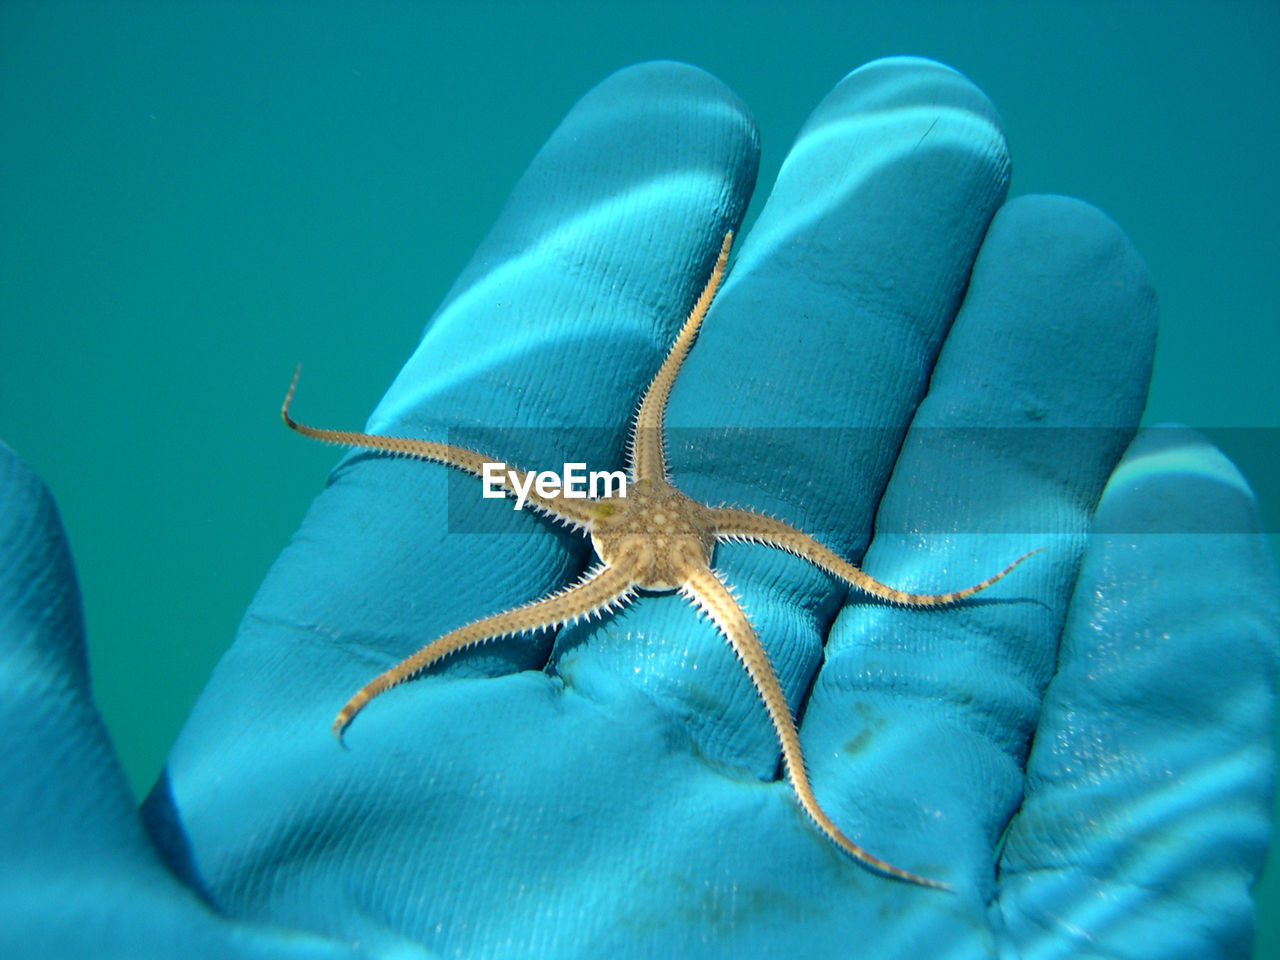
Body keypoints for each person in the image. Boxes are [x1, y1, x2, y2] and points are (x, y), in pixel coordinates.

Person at [2, 58, 1275, 959]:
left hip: (656, 523)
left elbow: (622, 431)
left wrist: (377, 679)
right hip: (644, 523)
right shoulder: (631, 511)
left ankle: (825, 766)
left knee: (554, 473)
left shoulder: (658, 514)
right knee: (490, 477)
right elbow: (531, 462)